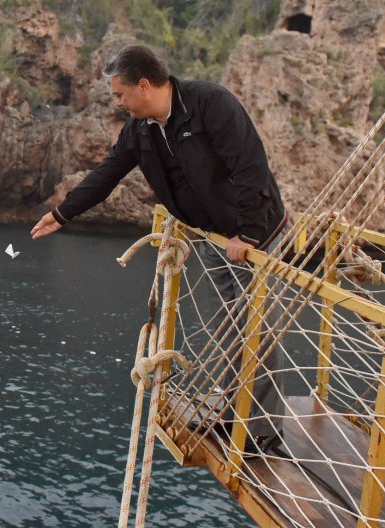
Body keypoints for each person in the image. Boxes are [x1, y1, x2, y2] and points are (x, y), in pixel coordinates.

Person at [29, 44, 288, 452]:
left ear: (144, 86)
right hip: (213, 238)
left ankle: (264, 432)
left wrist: (250, 235)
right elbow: (109, 172)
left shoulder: (211, 105)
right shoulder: (142, 130)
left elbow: (251, 166)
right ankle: (230, 414)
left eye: (119, 94)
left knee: (258, 331)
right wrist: (63, 214)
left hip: (255, 239)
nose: (117, 102)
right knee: (229, 328)